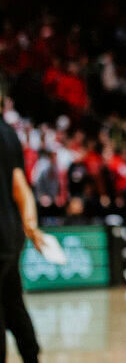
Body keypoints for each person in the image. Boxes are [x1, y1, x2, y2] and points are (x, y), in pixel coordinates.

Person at [0, 78, 43, 363]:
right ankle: (31, 356)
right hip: (11, 235)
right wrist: (30, 224)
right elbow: (20, 185)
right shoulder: (8, 133)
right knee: (12, 300)